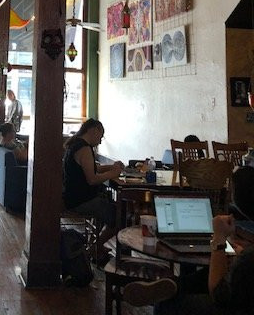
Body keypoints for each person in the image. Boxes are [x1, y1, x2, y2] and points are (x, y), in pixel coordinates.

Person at [123, 165, 254, 313]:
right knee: (211, 273)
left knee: (165, 304)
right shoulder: (248, 256)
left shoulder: (248, 259)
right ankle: (175, 285)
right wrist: (242, 254)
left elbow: (218, 294)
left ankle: (173, 287)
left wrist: (219, 239)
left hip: (236, 307)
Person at [62, 118, 124, 249]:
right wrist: (113, 173)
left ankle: (95, 247)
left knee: (109, 208)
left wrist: (111, 167)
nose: (100, 141)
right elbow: (92, 179)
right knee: (119, 217)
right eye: (100, 136)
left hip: (73, 197)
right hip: (81, 201)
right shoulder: (84, 148)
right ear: (94, 130)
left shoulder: (76, 145)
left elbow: (91, 168)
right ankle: (95, 248)